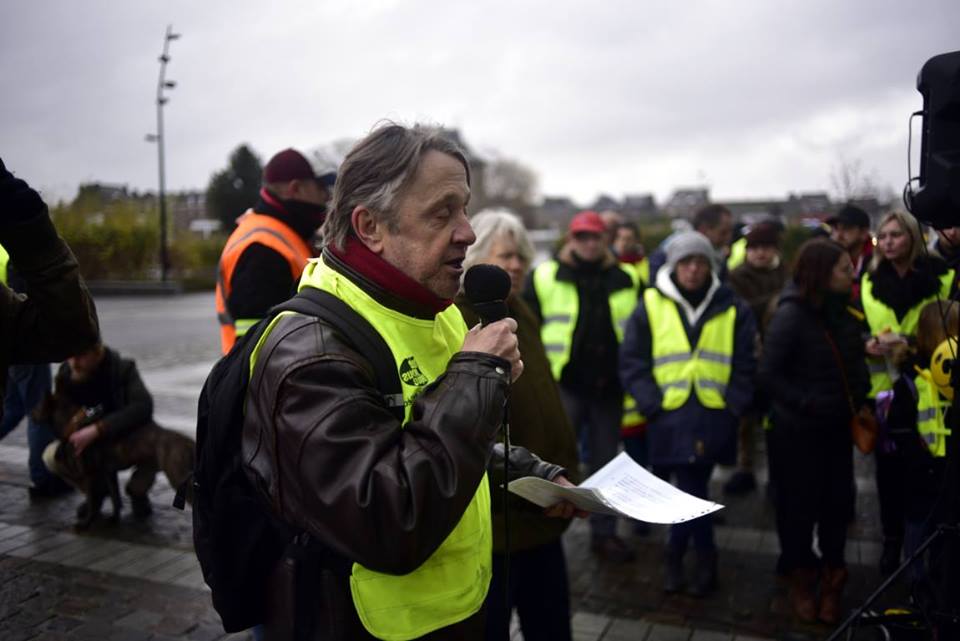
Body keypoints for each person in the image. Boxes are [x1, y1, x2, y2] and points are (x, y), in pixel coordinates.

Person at [240, 123, 576, 641]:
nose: (467, 231)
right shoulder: (309, 350)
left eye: (464, 208)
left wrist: (532, 477)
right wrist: (476, 378)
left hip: (458, 614)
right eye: (443, 213)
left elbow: (439, 438)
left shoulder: (435, 312)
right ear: (370, 226)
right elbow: (383, 518)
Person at [455, 208, 580, 641]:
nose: (516, 265)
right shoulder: (460, 320)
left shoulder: (522, 311)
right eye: (505, 255)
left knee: (551, 627)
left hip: (545, 511)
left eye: (522, 257)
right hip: (499, 527)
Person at [619, 231, 756, 597]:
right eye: (686, 262)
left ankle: (679, 558)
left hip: (714, 413)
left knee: (691, 488)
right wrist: (652, 405)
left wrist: (734, 405)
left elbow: (747, 363)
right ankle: (697, 560)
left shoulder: (732, 307)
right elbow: (632, 361)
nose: (694, 270)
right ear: (673, 265)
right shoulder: (649, 303)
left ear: (711, 266)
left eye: (701, 262)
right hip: (669, 413)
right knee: (690, 488)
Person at [759, 239, 867, 623]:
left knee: (837, 507)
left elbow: (853, 365)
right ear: (821, 273)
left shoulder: (845, 312)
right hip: (797, 436)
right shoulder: (791, 315)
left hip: (837, 432)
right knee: (798, 512)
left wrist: (861, 397)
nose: (850, 273)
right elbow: (769, 375)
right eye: (842, 268)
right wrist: (807, 402)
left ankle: (833, 580)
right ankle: (801, 579)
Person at [524, 210, 640, 562]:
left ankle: (603, 535)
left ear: (606, 240)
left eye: (596, 237)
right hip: (565, 385)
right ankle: (543, 528)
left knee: (606, 465)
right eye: (582, 237)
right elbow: (527, 329)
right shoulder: (544, 276)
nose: (589, 244)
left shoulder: (627, 277)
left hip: (609, 388)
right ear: (570, 240)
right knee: (555, 459)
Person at [861, 211, 954, 576]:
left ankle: (925, 548)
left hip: (928, 387)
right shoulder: (869, 281)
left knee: (926, 472)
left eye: (896, 235)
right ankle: (891, 543)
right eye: (883, 236)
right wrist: (866, 343)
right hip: (884, 389)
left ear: (912, 237)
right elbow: (855, 326)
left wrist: (912, 343)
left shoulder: (941, 277)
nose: (888, 242)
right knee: (887, 475)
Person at [0, 158, 100, 489]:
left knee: (20, 406)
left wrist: (26, 219)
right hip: (27, 329)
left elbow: (71, 331)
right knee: (34, 407)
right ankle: (43, 474)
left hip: (24, 325)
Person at [215, 148, 335, 353]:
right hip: (270, 380)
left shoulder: (285, 231)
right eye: (320, 187)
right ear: (295, 188)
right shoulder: (263, 249)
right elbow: (256, 344)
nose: (326, 196)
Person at [42, 342, 158, 517]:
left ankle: (137, 491)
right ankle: (96, 490)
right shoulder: (67, 372)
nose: (74, 362)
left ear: (97, 354)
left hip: (126, 437)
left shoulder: (122, 369)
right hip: (93, 444)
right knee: (51, 456)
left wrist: (100, 428)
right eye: (70, 356)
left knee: (158, 444)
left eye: (81, 356)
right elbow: (61, 413)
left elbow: (142, 406)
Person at [723, 223, 788, 494]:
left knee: (777, 421)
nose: (760, 254)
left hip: (782, 356)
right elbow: (740, 309)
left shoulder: (786, 273)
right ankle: (746, 469)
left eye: (766, 248)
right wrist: (776, 302)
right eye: (755, 248)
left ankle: (778, 474)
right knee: (745, 422)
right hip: (747, 355)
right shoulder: (737, 277)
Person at [648, 204, 734, 282]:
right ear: (703, 230)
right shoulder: (666, 252)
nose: (728, 237)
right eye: (723, 232)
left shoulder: (720, 254)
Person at [828, 204, 872, 300]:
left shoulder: (877, 263)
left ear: (864, 233)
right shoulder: (830, 261)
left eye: (846, 228)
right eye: (836, 228)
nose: (838, 235)